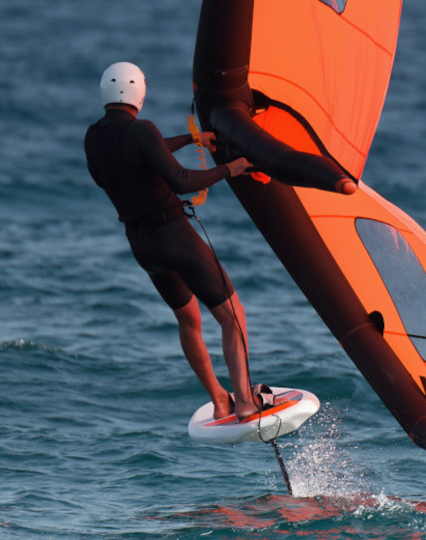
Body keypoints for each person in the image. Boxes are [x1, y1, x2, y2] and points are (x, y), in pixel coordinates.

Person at [84, 61, 263, 421]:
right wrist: (231, 168)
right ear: (140, 93)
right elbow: (180, 180)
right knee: (233, 316)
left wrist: (193, 139)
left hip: (142, 246)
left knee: (189, 321)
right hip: (174, 235)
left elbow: (146, 149)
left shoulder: (94, 136)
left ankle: (219, 398)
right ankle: (244, 402)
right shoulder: (142, 130)